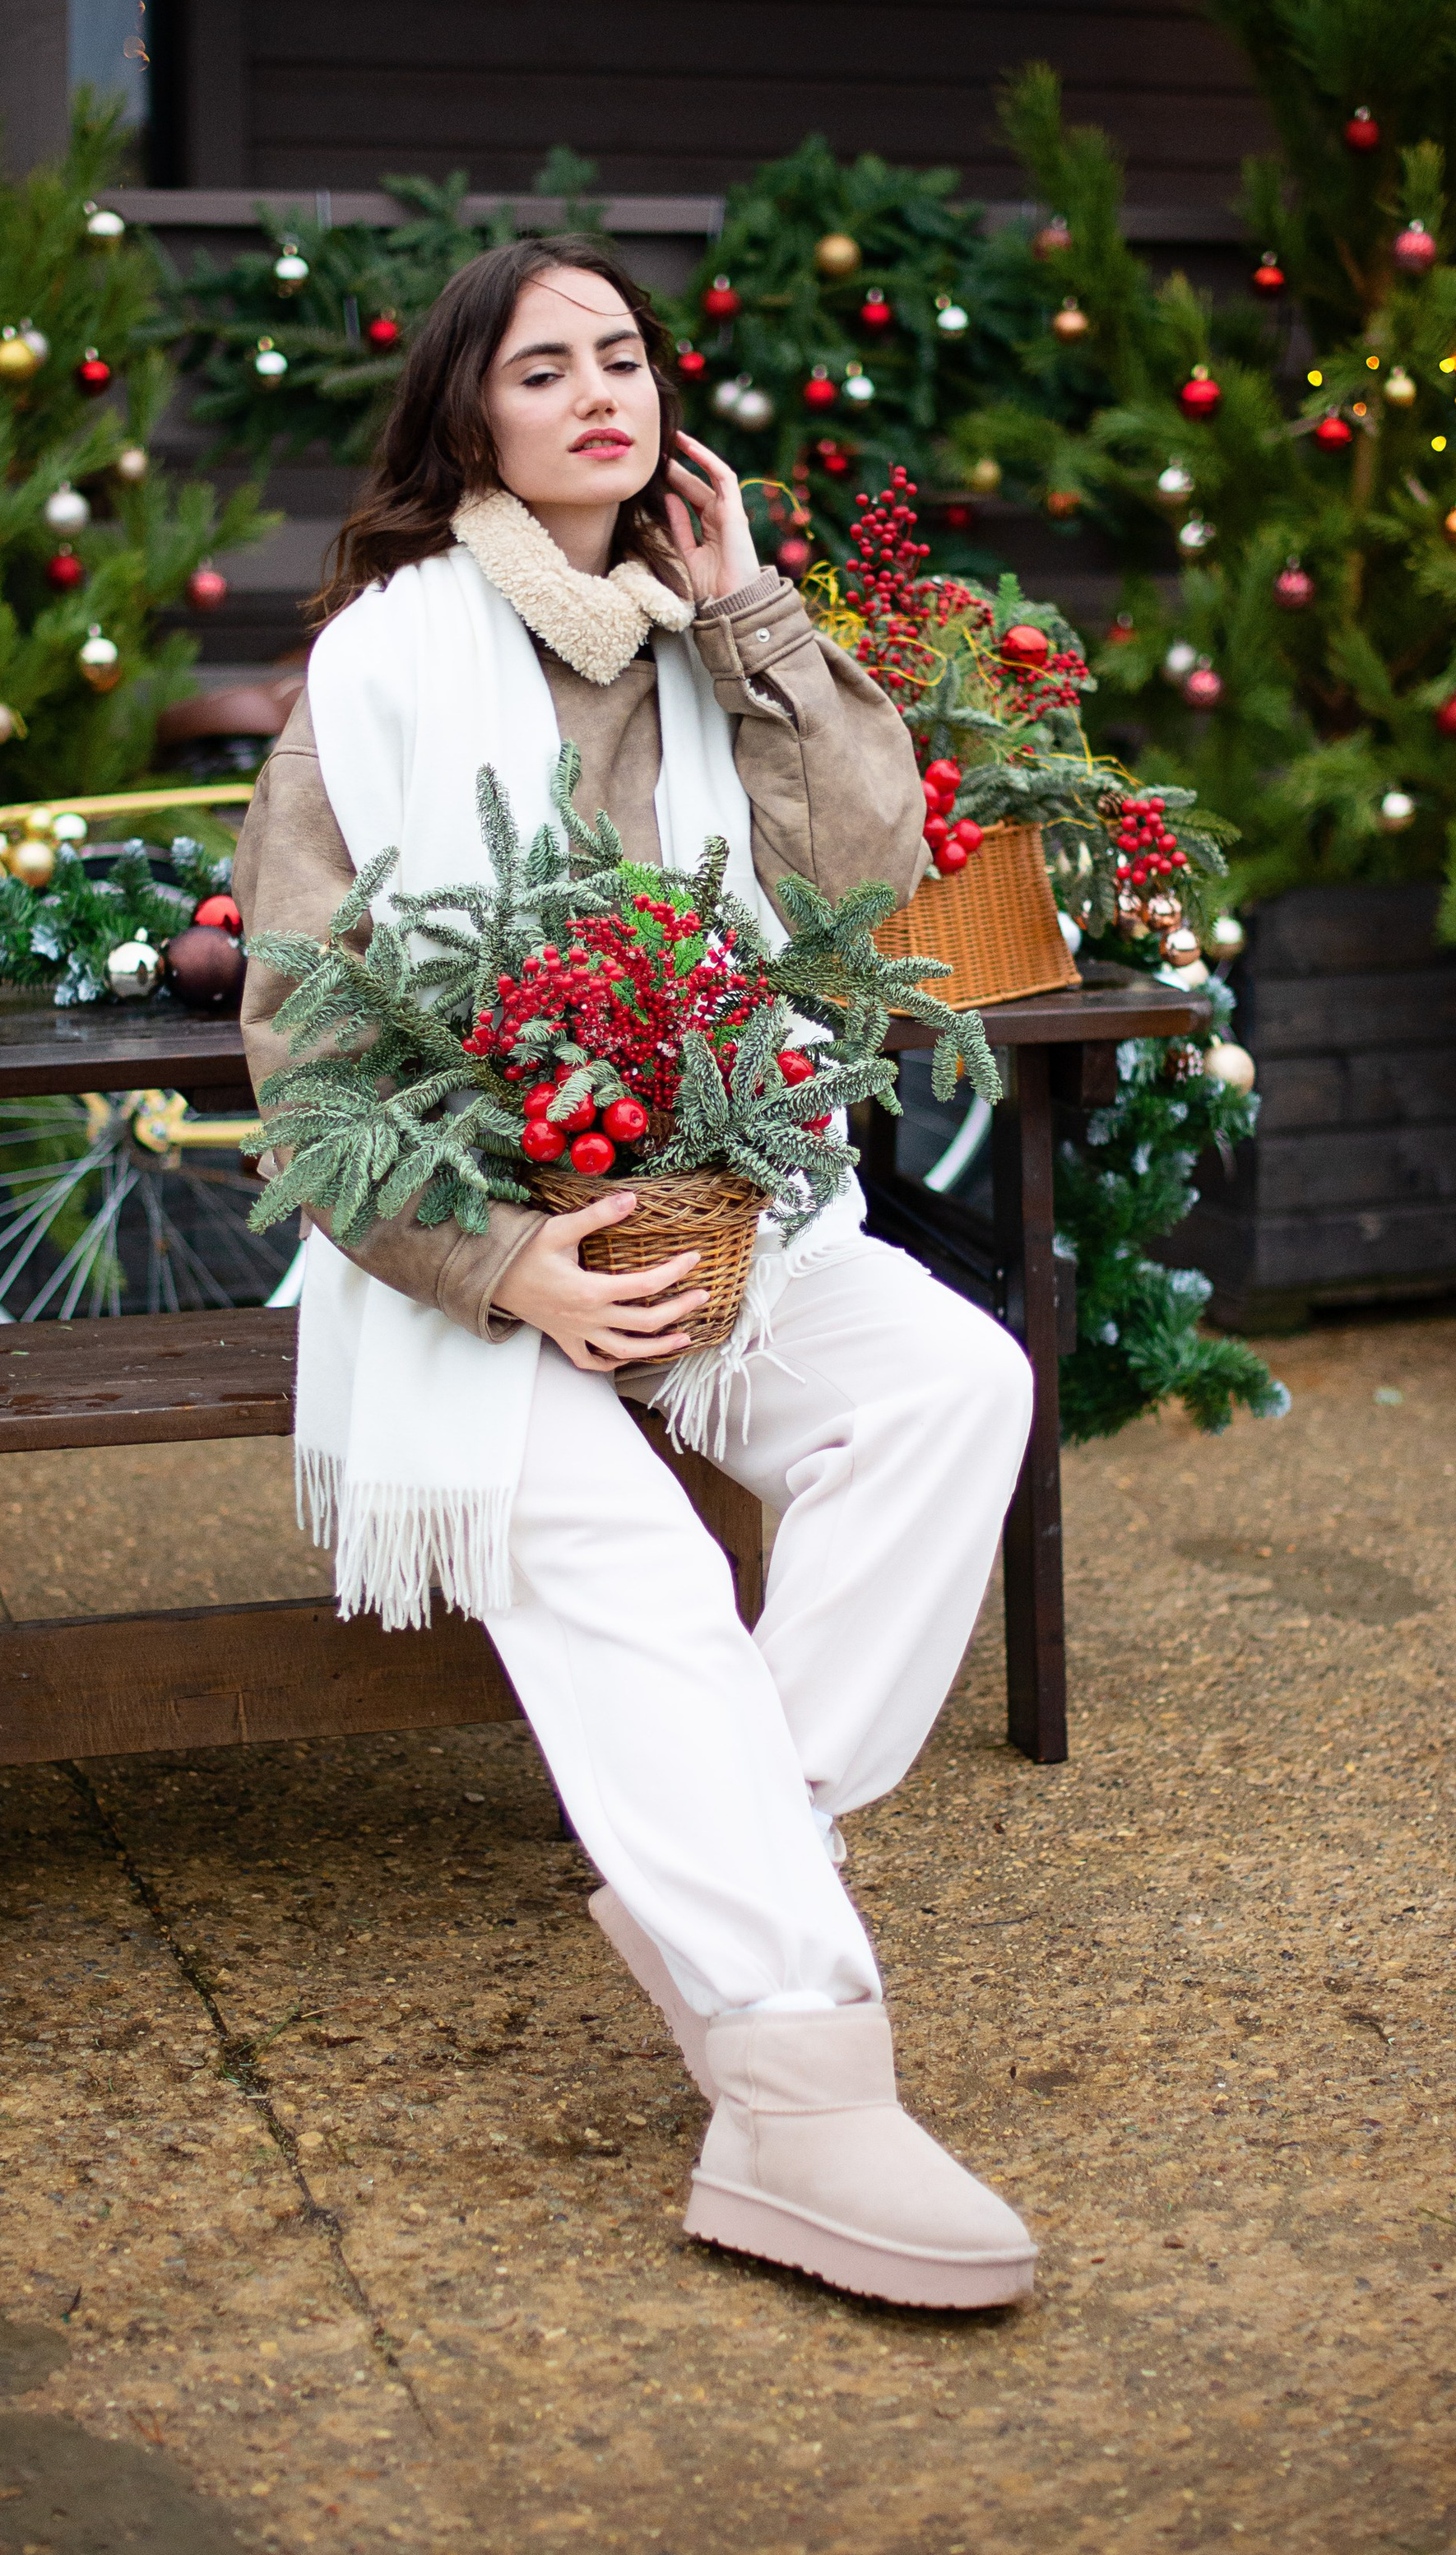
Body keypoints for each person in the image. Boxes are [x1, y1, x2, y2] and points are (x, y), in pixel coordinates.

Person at [234, 237, 1037, 2310]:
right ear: (466, 418)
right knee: (637, 1570)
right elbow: (307, 1055)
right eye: (541, 368)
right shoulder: (383, 664)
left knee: (950, 1384)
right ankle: (794, 2090)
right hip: (464, 1247)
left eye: (622, 356)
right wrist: (508, 1264)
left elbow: (861, 889)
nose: (598, 392)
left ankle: (726, 1853)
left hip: (711, 1197)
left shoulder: (707, 638)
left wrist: (756, 616)